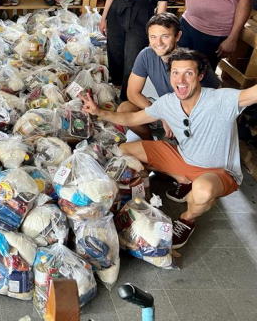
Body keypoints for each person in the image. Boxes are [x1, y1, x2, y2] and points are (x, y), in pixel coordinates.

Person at [80, 48, 257, 249]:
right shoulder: (168, 102)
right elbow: (132, 118)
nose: (180, 80)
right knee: (125, 150)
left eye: (188, 73)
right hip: (183, 158)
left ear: (200, 76)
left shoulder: (222, 99)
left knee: (203, 191)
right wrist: (98, 112)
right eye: (175, 72)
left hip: (219, 172)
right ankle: (180, 179)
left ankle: (187, 219)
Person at [118, 12, 220, 140]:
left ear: (178, 36)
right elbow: (132, 93)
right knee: (124, 108)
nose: (158, 43)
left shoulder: (194, 60)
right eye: (153, 37)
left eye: (165, 36)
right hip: (165, 107)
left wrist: (174, 118)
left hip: (191, 115)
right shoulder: (146, 54)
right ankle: (150, 142)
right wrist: (162, 114)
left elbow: (210, 103)